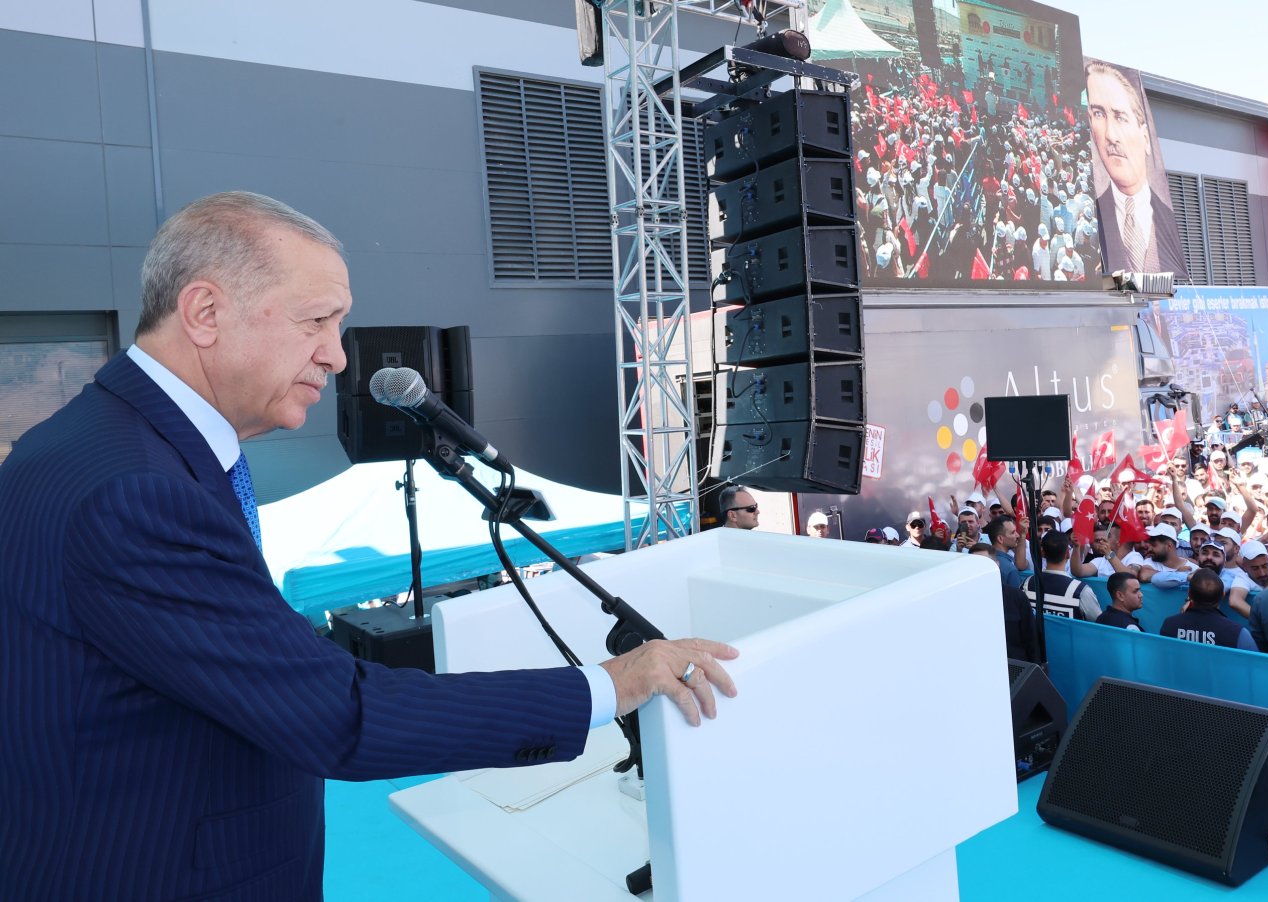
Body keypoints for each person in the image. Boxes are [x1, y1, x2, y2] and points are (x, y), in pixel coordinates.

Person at [0, 193, 740, 899]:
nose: (338, 357)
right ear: (204, 312)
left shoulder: (93, 444)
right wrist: (615, 684)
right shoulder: (135, 492)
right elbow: (335, 715)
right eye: (316, 320)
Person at [1085, 60, 1183, 274]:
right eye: (1099, 114)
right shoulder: (1091, 222)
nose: (1110, 135)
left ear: (1146, 137)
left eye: (1120, 117)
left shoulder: (1169, 221)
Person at [967, 539, 1041, 662]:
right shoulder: (964, 599)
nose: (980, 569)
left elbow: (1031, 639)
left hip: (1014, 668)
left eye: (985, 564)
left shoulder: (1016, 597)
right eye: (975, 564)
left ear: (997, 564)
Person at [1159, 569, 1256, 650]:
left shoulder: (1169, 625)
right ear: (1222, 595)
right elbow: (1254, 666)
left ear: (1189, 593)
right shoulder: (1238, 634)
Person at [1022, 531, 1102, 621]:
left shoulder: (1026, 584)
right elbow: (1099, 622)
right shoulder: (1081, 591)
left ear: (1042, 553)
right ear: (1067, 554)